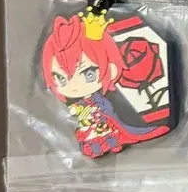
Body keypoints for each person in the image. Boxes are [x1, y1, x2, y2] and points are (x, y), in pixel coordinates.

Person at [41, 11, 170, 158]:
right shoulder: (81, 102)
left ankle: (112, 142)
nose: (74, 86)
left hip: (103, 125)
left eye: (88, 74)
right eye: (61, 78)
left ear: (111, 70)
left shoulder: (100, 101)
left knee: (107, 134)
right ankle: (100, 144)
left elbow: (108, 111)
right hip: (91, 127)